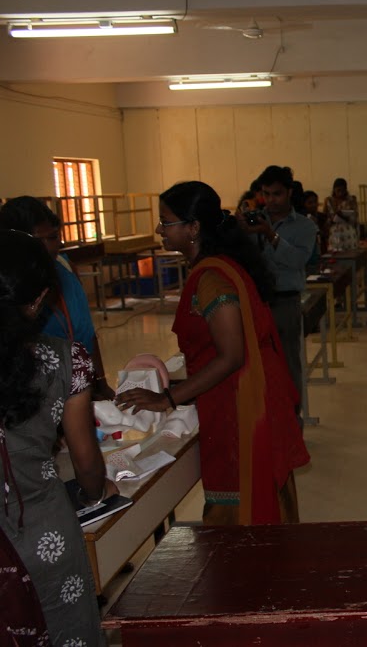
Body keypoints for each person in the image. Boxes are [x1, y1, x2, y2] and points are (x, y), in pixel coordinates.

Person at [116, 181, 309, 525]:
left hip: (239, 401)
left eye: (167, 222)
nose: (160, 229)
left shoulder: (212, 279)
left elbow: (231, 356)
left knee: (241, 497)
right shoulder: (214, 269)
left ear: (193, 228)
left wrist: (167, 399)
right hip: (236, 393)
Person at [0, 229, 113, 645]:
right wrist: (94, 492)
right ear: (38, 298)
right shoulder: (67, 359)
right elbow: (86, 462)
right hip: (42, 536)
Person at [0, 197, 114, 400]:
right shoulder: (11, 292)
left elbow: (88, 333)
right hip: (40, 395)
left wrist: (101, 382)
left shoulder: (65, 267)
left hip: (78, 379)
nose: (53, 247)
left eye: (53, 237)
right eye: (42, 240)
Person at [240, 165, 318, 411]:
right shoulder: (253, 220)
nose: (271, 200)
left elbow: (297, 261)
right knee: (256, 364)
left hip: (286, 303)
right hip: (256, 303)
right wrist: (240, 231)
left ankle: (293, 419)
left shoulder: (304, 226)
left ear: (289, 192)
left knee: (288, 364)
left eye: (277, 194)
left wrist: (269, 234)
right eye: (266, 194)